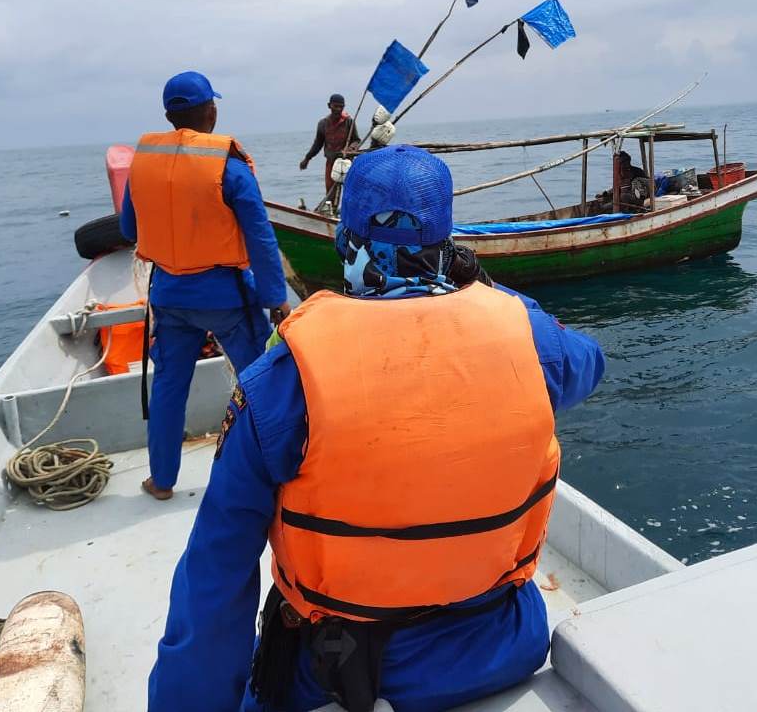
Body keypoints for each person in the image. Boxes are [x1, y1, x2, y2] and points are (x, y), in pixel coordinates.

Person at [148, 145, 606, 712]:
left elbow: (217, 572)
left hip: (342, 670)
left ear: (346, 242)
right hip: (504, 644)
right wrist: (490, 289)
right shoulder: (530, 340)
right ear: (449, 246)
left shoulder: (286, 379)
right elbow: (589, 360)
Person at [120, 71, 291, 501]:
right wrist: (276, 299)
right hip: (227, 297)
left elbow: (128, 229)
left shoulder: (143, 163)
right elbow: (260, 238)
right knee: (261, 383)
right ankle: (276, 473)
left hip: (169, 296)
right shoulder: (228, 167)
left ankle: (161, 481)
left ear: (168, 116)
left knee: (168, 388)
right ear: (211, 111)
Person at [299, 93, 360, 192]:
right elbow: (317, 145)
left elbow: (356, 140)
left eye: (341, 107)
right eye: (335, 106)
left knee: (351, 190)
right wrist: (307, 158)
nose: (338, 109)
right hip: (331, 163)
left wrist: (350, 148)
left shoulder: (349, 122)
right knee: (331, 193)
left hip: (347, 162)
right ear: (329, 106)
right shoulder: (323, 124)